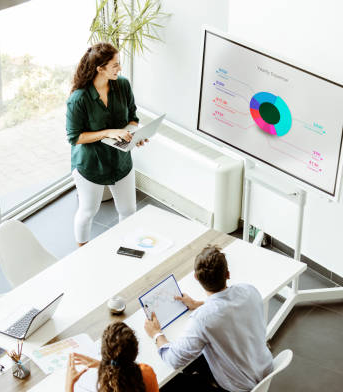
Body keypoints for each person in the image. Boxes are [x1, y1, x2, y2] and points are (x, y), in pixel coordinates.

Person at [144, 245, 273, 392]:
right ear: (228, 274)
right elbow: (226, 307)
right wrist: (197, 304)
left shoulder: (202, 320)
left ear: (196, 278)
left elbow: (173, 359)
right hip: (265, 369)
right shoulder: (249, 290)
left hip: (238, 387)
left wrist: (156, 334)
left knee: (170, 383)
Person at [66, 42, 147, 247]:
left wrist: (134, 135)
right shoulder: (79, 99)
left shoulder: (123, 85)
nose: (119, 69)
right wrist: (108, 132)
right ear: (100, 68)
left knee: (128, 210)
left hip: (120, 161)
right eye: (115, 65)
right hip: (91, 165)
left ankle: (127, 247)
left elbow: (133, 119)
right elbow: (75, 137)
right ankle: (82, 252)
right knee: (88, 211)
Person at [65, 322, 159, 392]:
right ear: (135, 351)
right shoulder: (147, 373)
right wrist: (102, 365)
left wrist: (69, 384)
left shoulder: (106, 388)